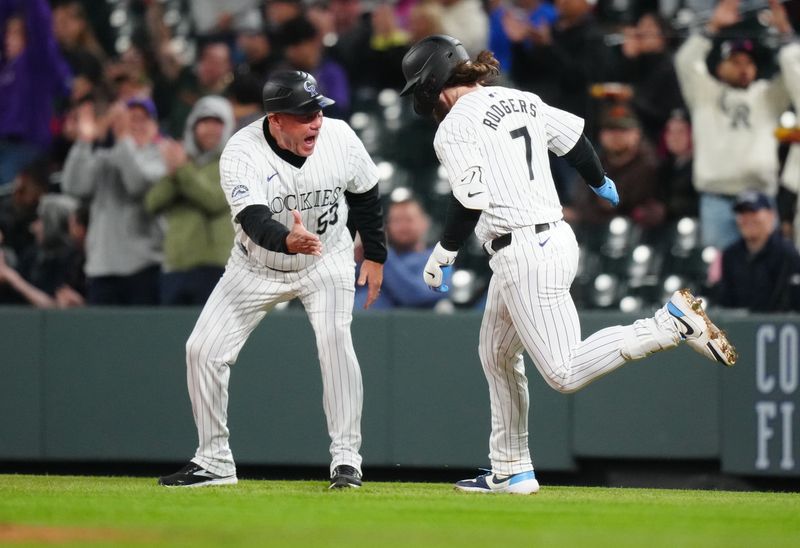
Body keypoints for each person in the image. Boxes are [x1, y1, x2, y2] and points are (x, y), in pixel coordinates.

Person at [399, 35, 737, 495]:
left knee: (562, 372)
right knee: (496, 355)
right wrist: (599, 179)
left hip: (525, 252)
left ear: (433, 81)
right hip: (548, 238)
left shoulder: (454, 125)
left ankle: (668, 325)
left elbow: (470, 197)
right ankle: (511, 468)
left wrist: (445, 251)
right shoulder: (519, 98)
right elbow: (575, 140)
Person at [158, 71, 386, 489]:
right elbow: (253, 219)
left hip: (326, 259)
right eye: (304, 114)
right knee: (202, 350)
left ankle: (346, 461)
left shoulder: (339, 136)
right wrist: (286, 239)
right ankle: (214, 462)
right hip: (255, 264)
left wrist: (374, 253)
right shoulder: (242, 152)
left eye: (318, 109)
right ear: (277, 120)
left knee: (335, 342)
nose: (316, 120)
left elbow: (366, 192)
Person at [674, 0, 797, 250]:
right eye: (735, 61)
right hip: (717, 200)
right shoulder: (704, 93)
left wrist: (786, 34)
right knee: (719, 279)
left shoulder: (768, 96)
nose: (744, 68)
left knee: (765, 276)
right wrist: (711, 28)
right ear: (720, 66)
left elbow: (795, 74)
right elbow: (685, 61)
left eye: (749, 63)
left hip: (762, 201)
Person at [62, 97, 166, 305]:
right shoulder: (107, 157)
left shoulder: (162, 157)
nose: (132, 125)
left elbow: (136, 184)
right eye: (127, 119)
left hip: (144, 267)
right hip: (102, 267)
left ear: (154, 127)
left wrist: (123, 140)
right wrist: (84, 141)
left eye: (140, 119)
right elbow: (73, 186)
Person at [145, 96, 236, 305]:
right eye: (204, 122)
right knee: (172, 334)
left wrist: (182, 170)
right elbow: (152, 202)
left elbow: (214, 200)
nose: (210, 129)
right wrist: (174, 173)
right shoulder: (180, 163)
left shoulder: (233, 162)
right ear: (193, 127)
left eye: (217, 123)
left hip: (215, 265)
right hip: (175, 264)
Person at [355, 194, 446, 309]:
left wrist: (379, 252)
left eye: (409, 220)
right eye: (396, 221)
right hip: (359, 323)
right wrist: (354, 258)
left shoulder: (440, 259)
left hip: (411, 325)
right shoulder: (371, 259)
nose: (403, 226)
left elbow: (416, 296)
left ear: (425, 222)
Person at [716, 191, 800, 311]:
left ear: (771, 216)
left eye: (753, 212)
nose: (748, 218)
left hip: (777, 326)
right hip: (739, 326)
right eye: (742, 213)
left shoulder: (787, 254)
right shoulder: (730, 255)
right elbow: (726, 302)